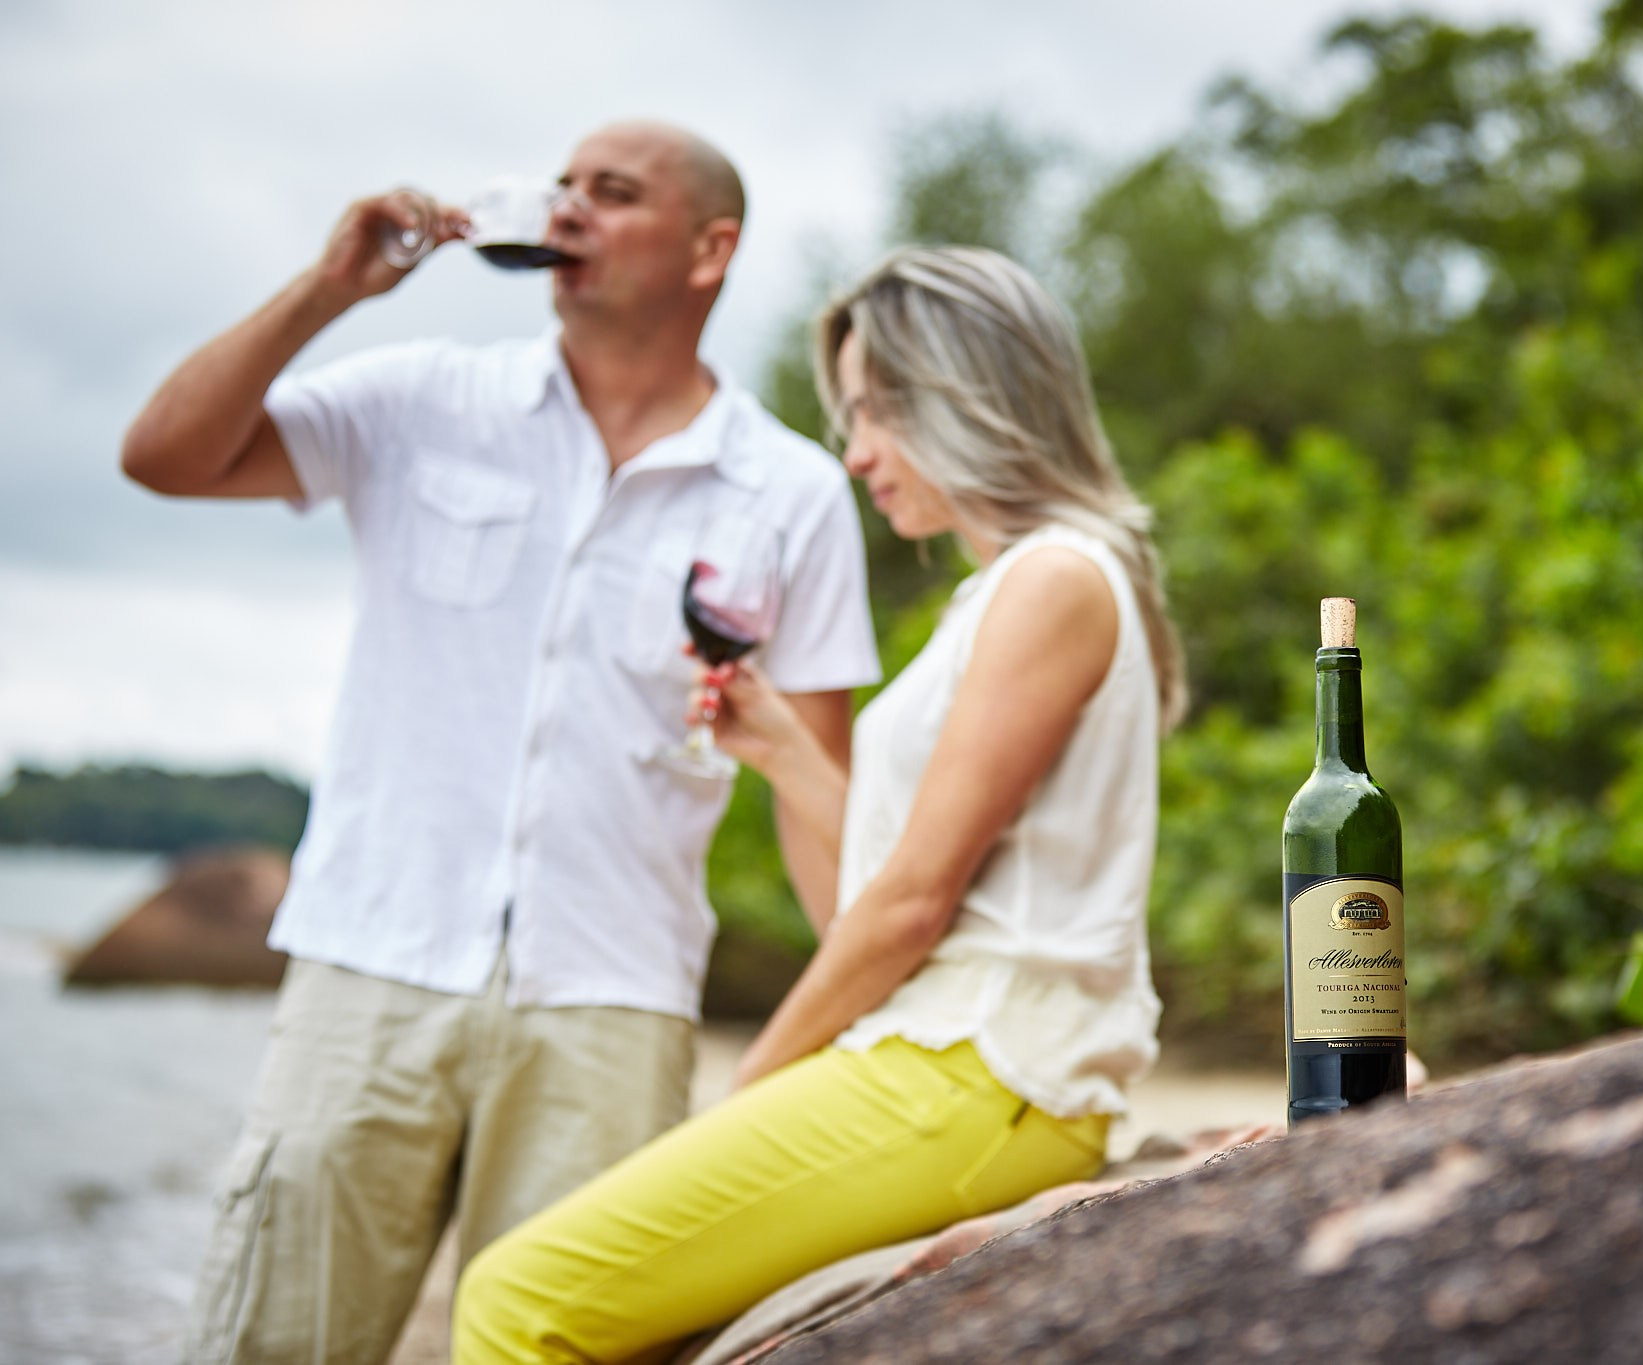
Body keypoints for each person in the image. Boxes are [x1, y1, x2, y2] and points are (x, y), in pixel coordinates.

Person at [119, 121, 881, 1365]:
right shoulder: (423, 399)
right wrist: (328, 290)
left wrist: (844, 995)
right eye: (564, 187)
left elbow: (817, 779)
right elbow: (162, 457)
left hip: (614, 1000)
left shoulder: (787, 491)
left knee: (571, 1348)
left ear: (711, 249)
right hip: (371, 964)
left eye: (613, 194)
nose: (568, 209)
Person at [451, 244, 1188, 1362]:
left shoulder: (1051, 580)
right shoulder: (1011, 590)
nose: (854, 456)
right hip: (957, 1063)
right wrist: (791, 758)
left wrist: (751, 1087)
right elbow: (890, 893)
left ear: (958, 397)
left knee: (515, 1299)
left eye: (871, 415)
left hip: (975, 1072)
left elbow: (908, 907)